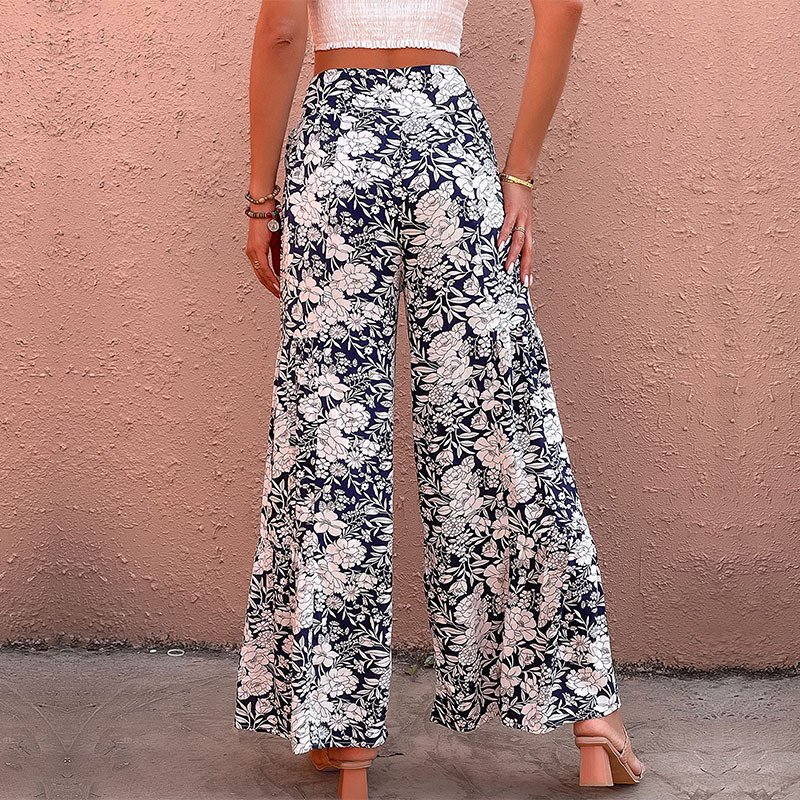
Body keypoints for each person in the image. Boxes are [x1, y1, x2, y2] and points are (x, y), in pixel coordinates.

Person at [234, 1, 644, 797]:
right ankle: (589, 714)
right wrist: (518, 173)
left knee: (334, 430)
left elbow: (282, 31)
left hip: (338, 146)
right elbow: (563, 7)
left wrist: (260, 198)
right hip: (448, 143)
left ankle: (343, 733)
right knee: (503, 421)